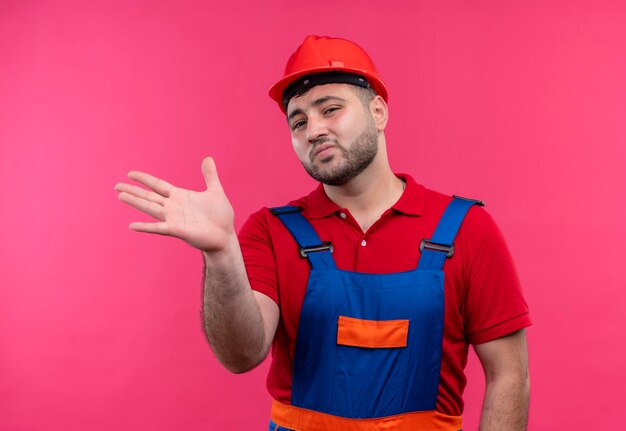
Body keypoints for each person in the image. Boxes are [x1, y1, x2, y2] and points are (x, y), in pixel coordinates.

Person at [115, 35, 531, 431]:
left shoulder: (466, 228)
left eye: (329, 109)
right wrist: (221, 254)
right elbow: (241, 355)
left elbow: (509, 375)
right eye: (298, 121)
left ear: (379, 112)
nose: (312, 130)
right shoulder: (270, 230)